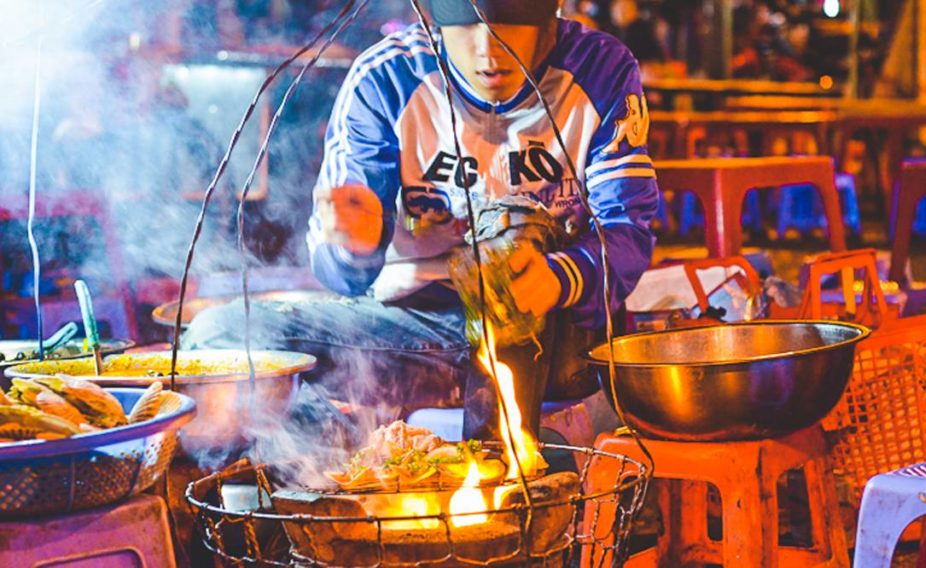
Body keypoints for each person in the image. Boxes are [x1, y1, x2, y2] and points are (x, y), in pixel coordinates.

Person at [184, 0, 659, 442]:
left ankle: (508, 473)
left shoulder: (600, 70)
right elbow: (341, 275)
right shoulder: (386, 79)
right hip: (413, 332)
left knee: (515, 233)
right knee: (219, 337)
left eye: (507, 25)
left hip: (555, 340)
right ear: (433, 18)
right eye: (467, 26)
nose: (487, 51)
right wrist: (355, 244)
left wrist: (556, 279)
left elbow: (628, 231)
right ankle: (340, 461)